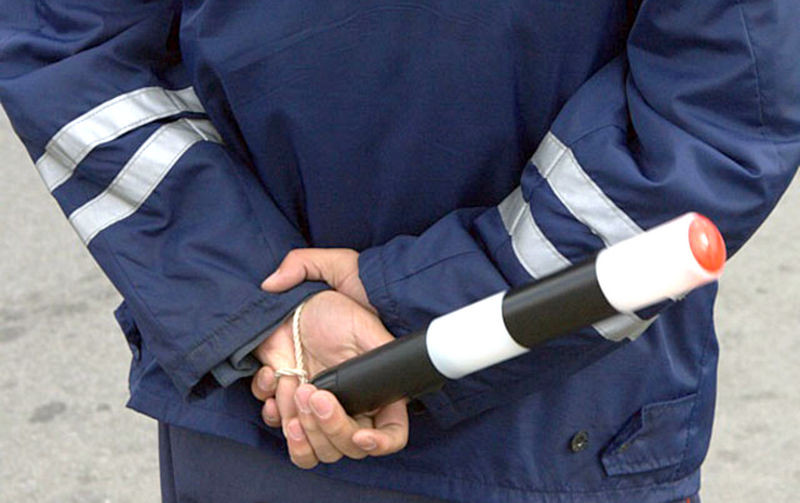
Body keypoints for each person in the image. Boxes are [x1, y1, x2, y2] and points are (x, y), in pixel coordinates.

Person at [1, 1, 798, 502]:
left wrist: (270, 305)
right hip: (551, 429)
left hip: (296, 404)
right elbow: (720, 111)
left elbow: (63, 40)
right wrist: (359, 318)